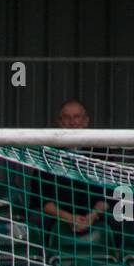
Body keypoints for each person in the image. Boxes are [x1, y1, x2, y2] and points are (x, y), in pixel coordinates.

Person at [30, 98, 112, 248]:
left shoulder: (102, 153)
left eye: (77, 117)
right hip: (58, 216)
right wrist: (69, 218)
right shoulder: (47, 154)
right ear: (60, 122)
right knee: (36, 219)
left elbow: (109, 196)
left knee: (120, 218)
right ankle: (42, 264)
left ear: (86, 121)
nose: (72, 122)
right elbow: (41, 200)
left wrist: (92, 217)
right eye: (67, 117)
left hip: (94, 215)